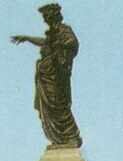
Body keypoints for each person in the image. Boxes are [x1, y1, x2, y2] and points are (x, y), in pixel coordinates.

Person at [10, 3, 82, 147]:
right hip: (47, 76)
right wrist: (28, 38)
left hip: (57, 76)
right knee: (50, 108)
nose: (44, 20)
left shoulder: (64, 30)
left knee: (59, 105)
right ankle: (61, 139)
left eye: (46, 17)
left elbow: (72, 43)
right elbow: (45, 43)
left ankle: (71, 137)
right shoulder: (53, 33)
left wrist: (58, 50)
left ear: (52, 16)